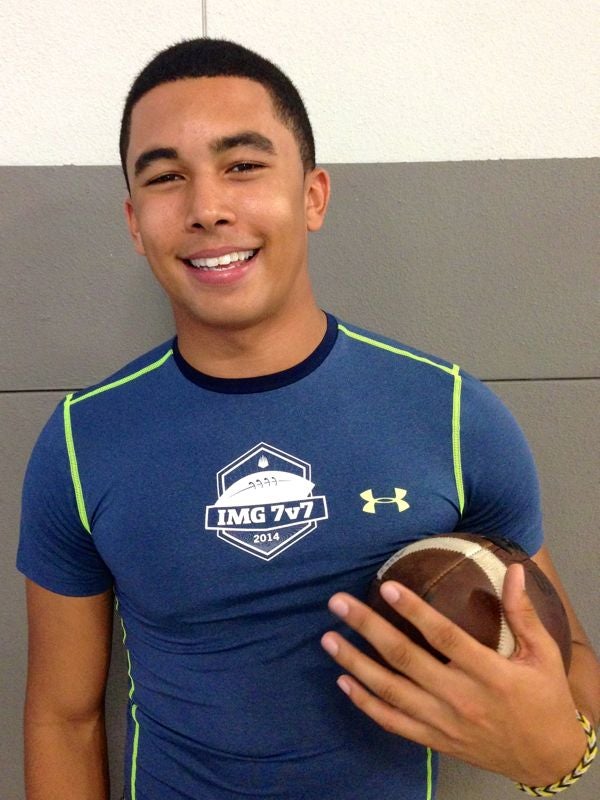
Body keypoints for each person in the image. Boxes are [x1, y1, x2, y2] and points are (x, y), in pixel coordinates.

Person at [17, 38, 599, 800]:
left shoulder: (452, 413)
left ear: (314, 195)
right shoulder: (80, 441)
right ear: (134, 221)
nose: (207, 208)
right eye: (166, 178)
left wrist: (558, 747)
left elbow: (568, 659)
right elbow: (63, 719)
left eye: (244, 166)